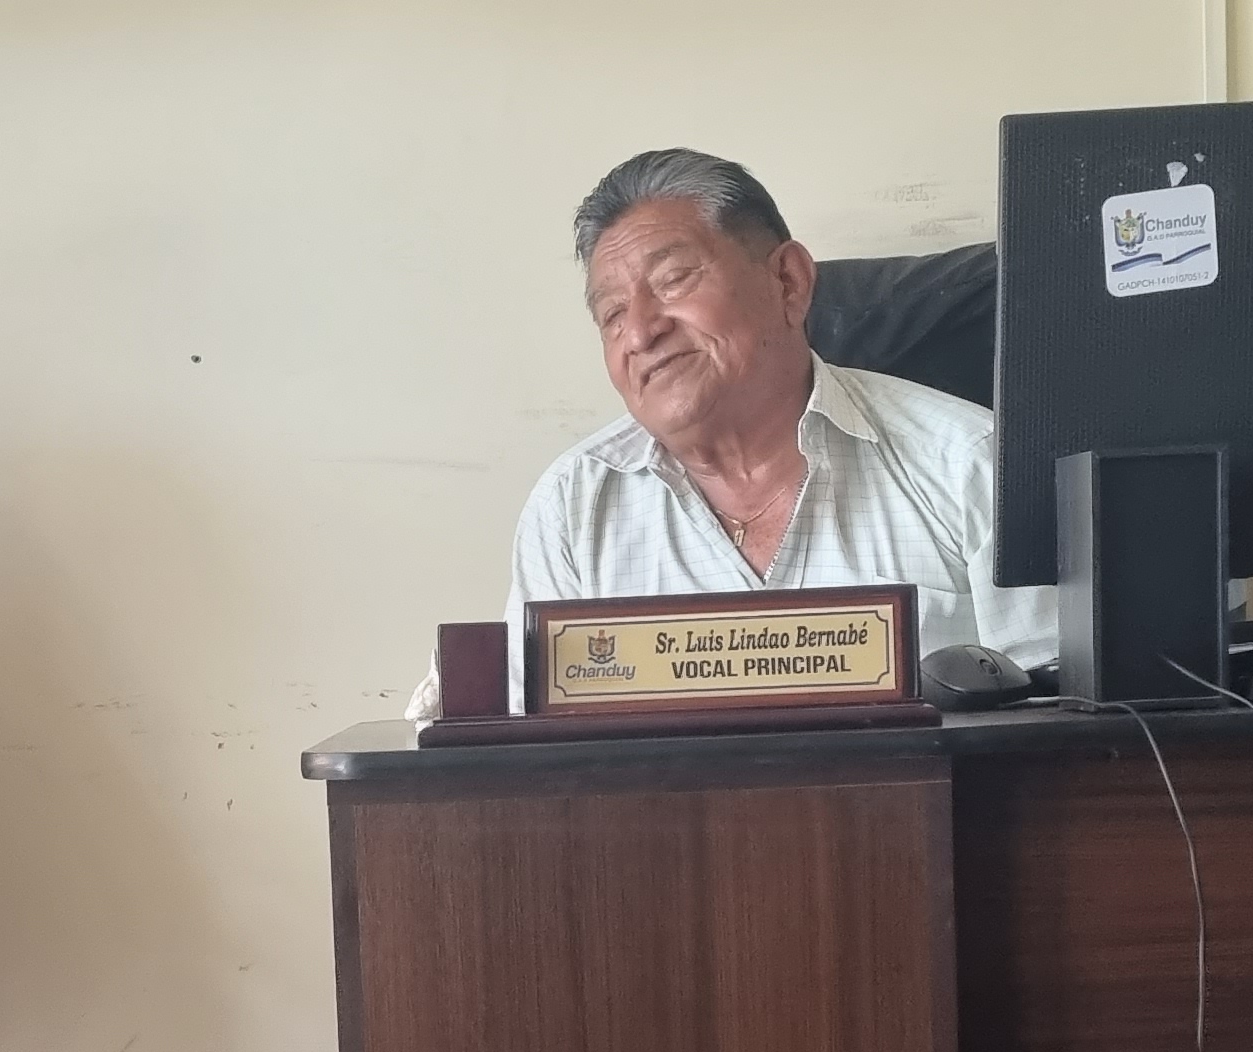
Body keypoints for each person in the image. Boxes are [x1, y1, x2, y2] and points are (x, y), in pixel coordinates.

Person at [415, 148, 1052, 719]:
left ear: (788, 282)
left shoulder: (972, 464)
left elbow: (1062, 729)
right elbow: (521, 750)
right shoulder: (575, 506)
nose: (641, 332)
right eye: (611, 313)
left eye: (672, 281)